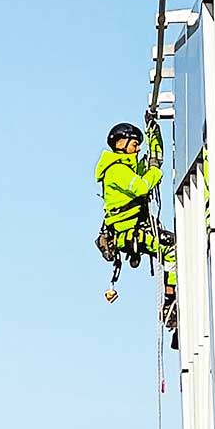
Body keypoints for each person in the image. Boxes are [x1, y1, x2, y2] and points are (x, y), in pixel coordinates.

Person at [95, 120, 175, 333]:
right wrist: (155, 172)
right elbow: (141, 187)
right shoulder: (116, 171)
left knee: (171, 247)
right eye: (134, 144)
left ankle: (172, 298)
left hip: (135, 230)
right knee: (172, 249)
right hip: (128, 234)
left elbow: (155, 160)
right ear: (121, 143)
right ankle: (171, 300)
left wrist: (153, 132)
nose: (138, 148)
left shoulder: (127, 168)